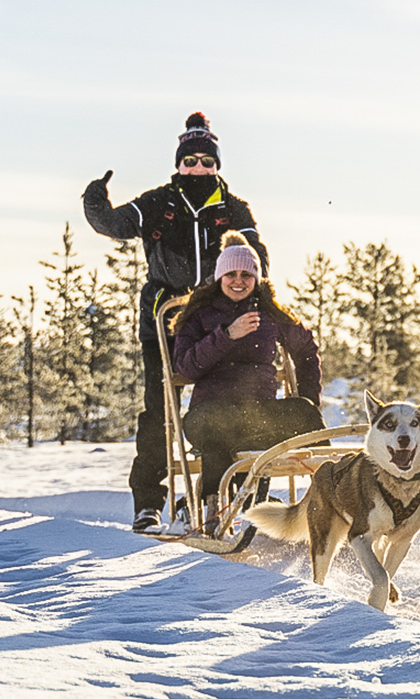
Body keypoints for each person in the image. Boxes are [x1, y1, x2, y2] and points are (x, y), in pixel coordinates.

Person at [81, 112, 269, 532]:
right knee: (160, 410)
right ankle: (149, 501)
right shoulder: (159, 203)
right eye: (191, 161)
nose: (198, 168)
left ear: (216, 165)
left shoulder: (233, 208)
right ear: (179, 164)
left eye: (206, 161)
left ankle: (217, 492)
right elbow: (113, 224)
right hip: (163, 321)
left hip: (216, 322)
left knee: (222, 404)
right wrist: (95, 203)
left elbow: (256, 254)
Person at [170, 232, 324, 527]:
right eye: (231, 274)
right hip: (210, 414)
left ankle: (335, 496)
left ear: (256, 278)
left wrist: (309, 398)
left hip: (257, 414)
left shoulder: (269, 312)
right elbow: (186, 367)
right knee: (219, 422)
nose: (238, 281)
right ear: (219, 277)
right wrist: (226, 336)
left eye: (246, 274)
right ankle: (216, 509)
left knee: (304, 410)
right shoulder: (200, 315)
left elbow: (306, 350)